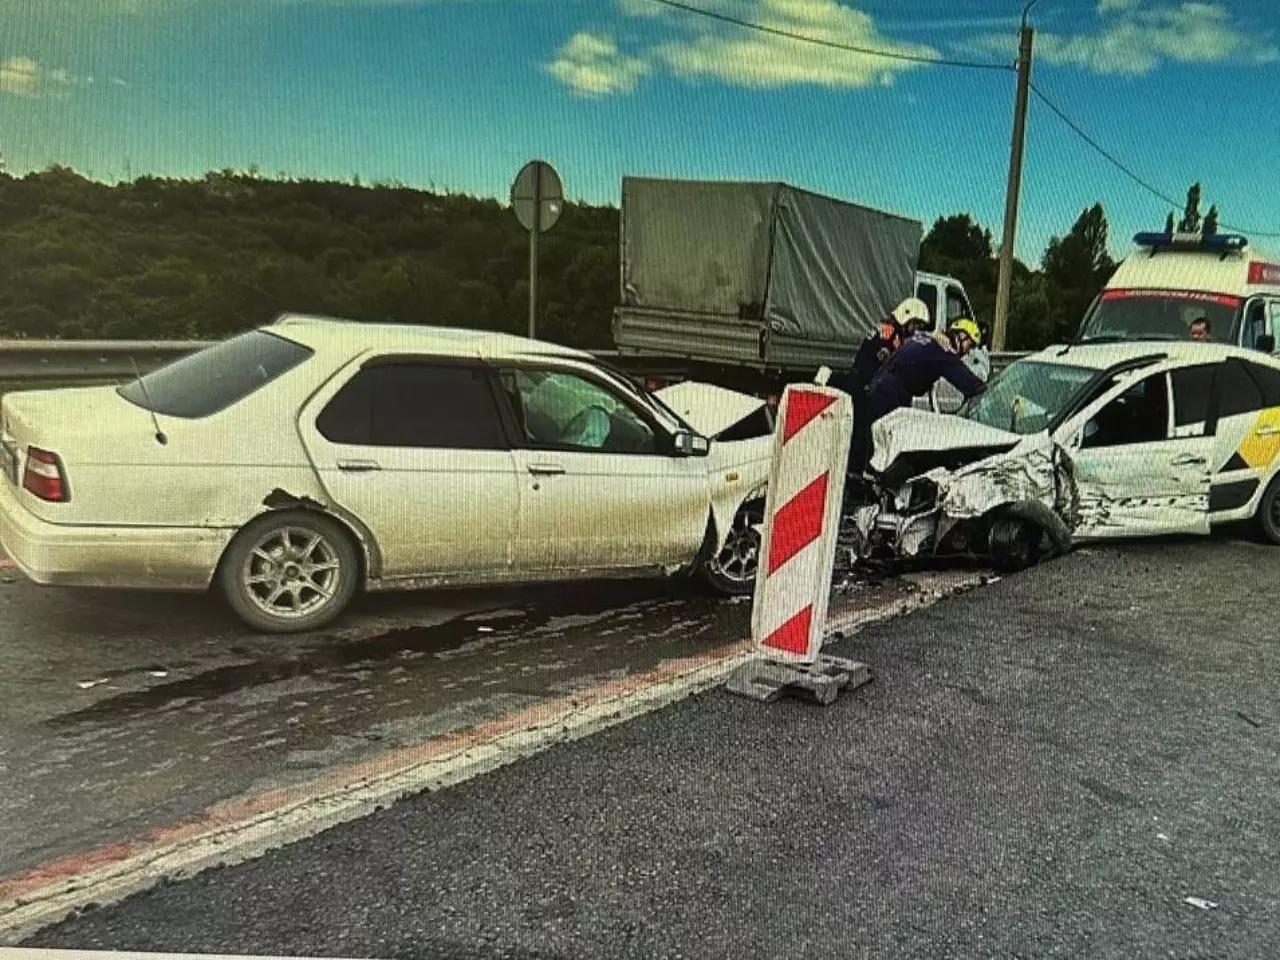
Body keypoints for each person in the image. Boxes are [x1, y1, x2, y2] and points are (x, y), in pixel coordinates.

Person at [831, 297, 931, 475]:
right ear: (906, 317)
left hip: (862, 385)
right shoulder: (889, 337)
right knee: (863, 436)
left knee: (862, 434)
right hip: (863, 388)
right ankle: (854, 475)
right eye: (915, 324)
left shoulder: (890, 331)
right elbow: (883, 368)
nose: (916, 330)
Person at [864, 317, 987, 435]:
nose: (968, 352)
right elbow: (972, 385)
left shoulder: (927, 339)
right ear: (961, 336)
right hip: (890, 397)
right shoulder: (944, 353)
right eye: (969, 345)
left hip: (879, 387)